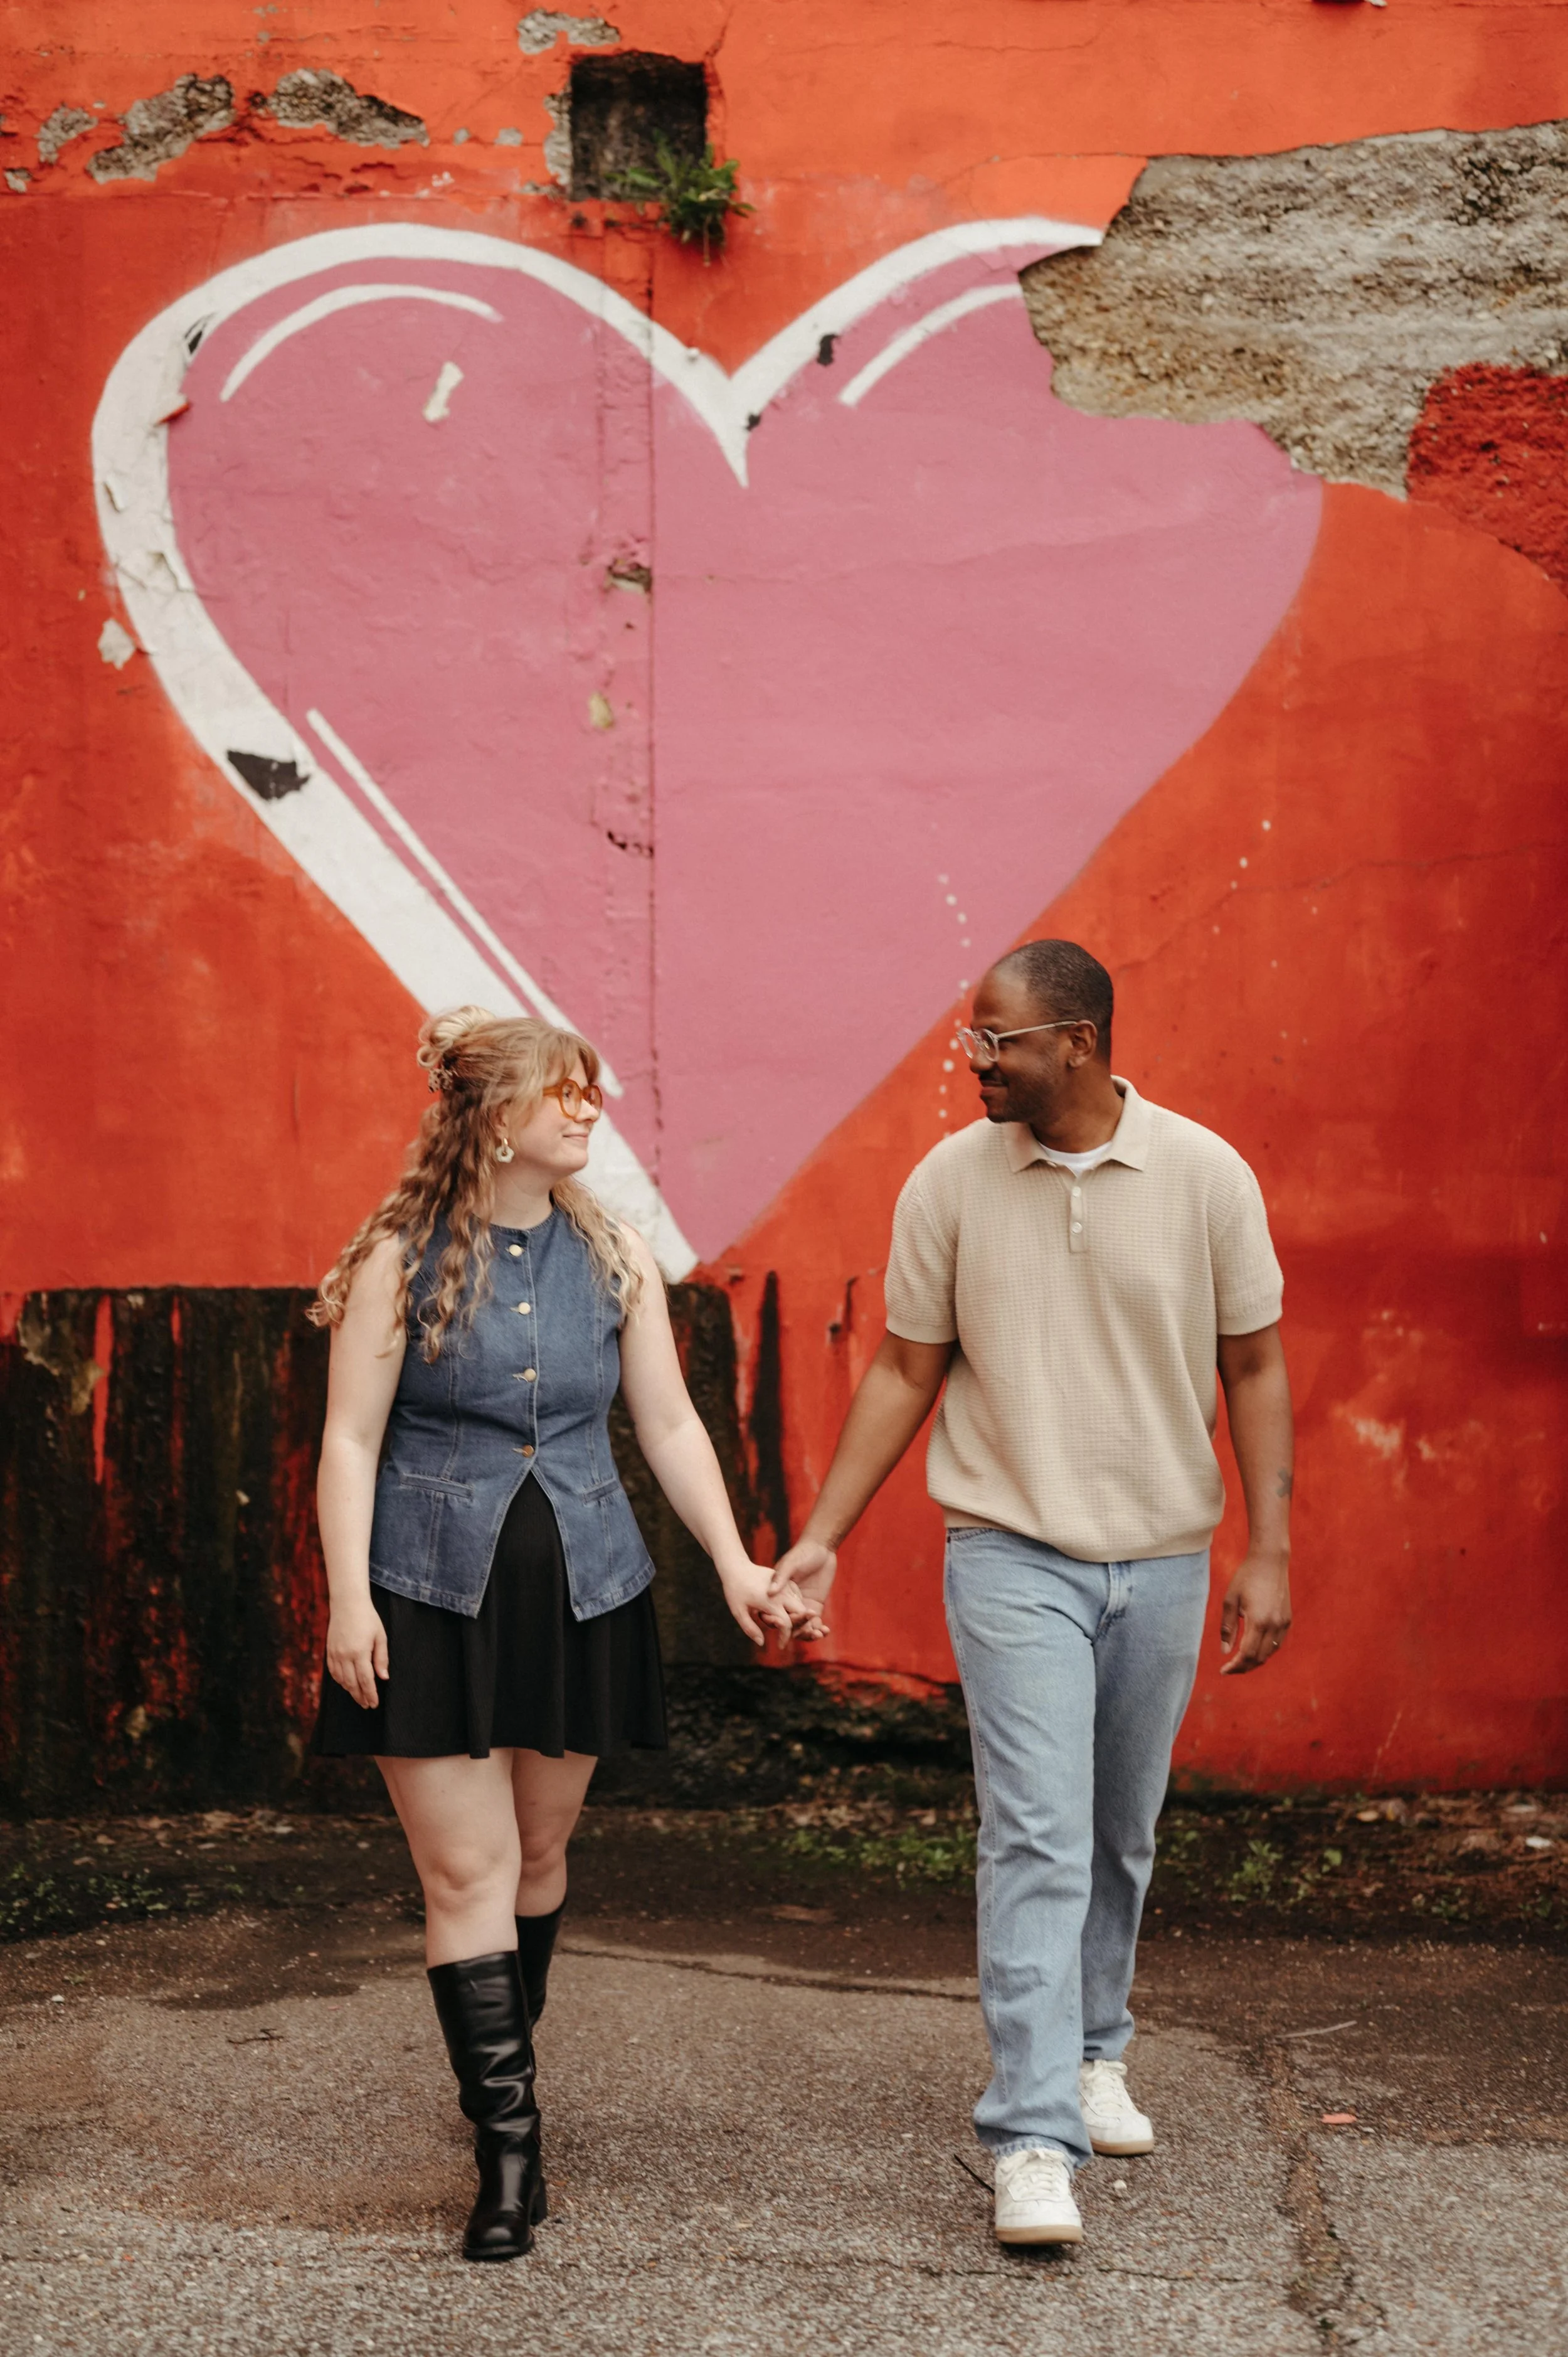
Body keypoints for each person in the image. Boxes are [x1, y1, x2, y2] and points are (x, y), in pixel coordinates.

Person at [776, 940, 1293, 2247]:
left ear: (1077, 1041)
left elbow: (1251, 1365)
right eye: (974, 1037)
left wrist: (1269, 1549)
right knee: (1035, 1834)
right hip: (1009, 1550)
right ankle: (1028, 2136)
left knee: (1118, 1830)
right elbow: (905, 1367)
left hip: (1163, 1555)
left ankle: (1092, 2049)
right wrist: (823, 1535)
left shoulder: (1204, 1175)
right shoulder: (949, 1181)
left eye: (995, 1040)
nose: (974, 1061)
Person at [309, 1006, 798, 2264]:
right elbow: (351, 1440)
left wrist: (734, 1562)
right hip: (429, 1600)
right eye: (562, 1091)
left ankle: (497, 2080)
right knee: (465, 1876)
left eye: (591, 1091)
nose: (588, 1109)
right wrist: (350, 1599)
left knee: (535, 1857)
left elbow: (670, 1426)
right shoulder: (399, 1261)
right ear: (491, 1116)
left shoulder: (615, 1254)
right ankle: (508, 2155)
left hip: (587, 1593)